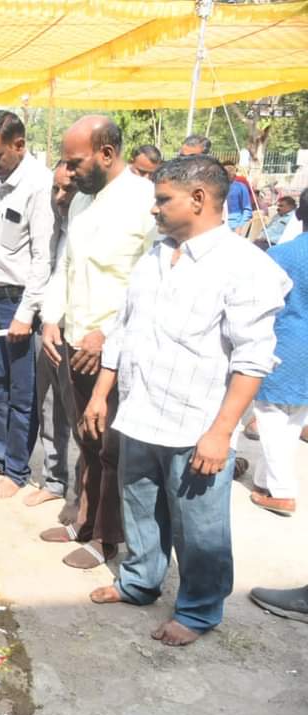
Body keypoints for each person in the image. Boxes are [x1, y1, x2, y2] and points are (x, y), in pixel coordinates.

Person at [85, 154, 290, 646]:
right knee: (140, 507)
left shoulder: (245, 268)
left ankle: (198, 611)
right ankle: (138, 582)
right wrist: (101, 393)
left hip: (195, 423)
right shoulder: (156, 255)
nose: (154, 210)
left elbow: (253, 360)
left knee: (199, 529)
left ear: (198, 199)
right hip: (141, 413)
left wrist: (221, 433)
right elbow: (124, 327)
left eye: (162, 200)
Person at [40, 116, 156, 570]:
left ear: (106, 155)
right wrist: (51, 319)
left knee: (112, 447)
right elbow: (66, 266)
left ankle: (107, 538)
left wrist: (107, 334)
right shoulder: (81, 203)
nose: (68, 173)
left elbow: (147, 284)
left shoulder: (146, 204)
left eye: (75, 162)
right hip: (72, 343)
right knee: (85, 439)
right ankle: (82, 520)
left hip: (115, 350)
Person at [0, 110, 55, 498]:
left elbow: (43, 258)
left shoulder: (38, 185)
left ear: (19, 145)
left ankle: (18, 470)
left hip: (22, 303)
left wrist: (26, 314)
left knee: (24, 393)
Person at [249, 189, 308, 517]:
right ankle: (265, 480)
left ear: (298, 215)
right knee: (295, 415)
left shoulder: (280, 256)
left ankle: (283, 492)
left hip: (285, 343)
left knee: (270, 414)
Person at [32, 161, 78, 510]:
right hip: (49, 328)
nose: (60, 197)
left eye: (69, 190)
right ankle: (55, 479)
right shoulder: (52, 224)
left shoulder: (92, 227)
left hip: (83, 334)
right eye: (56, 189)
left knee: (82, 417)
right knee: (51, 407)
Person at [221, 160, 253, 233]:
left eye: (231, 170)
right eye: (226, 171)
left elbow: (247, 210)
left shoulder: (241, 187)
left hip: (234, 225)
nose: (229, 173)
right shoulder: (216, 188)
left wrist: (240, 226)